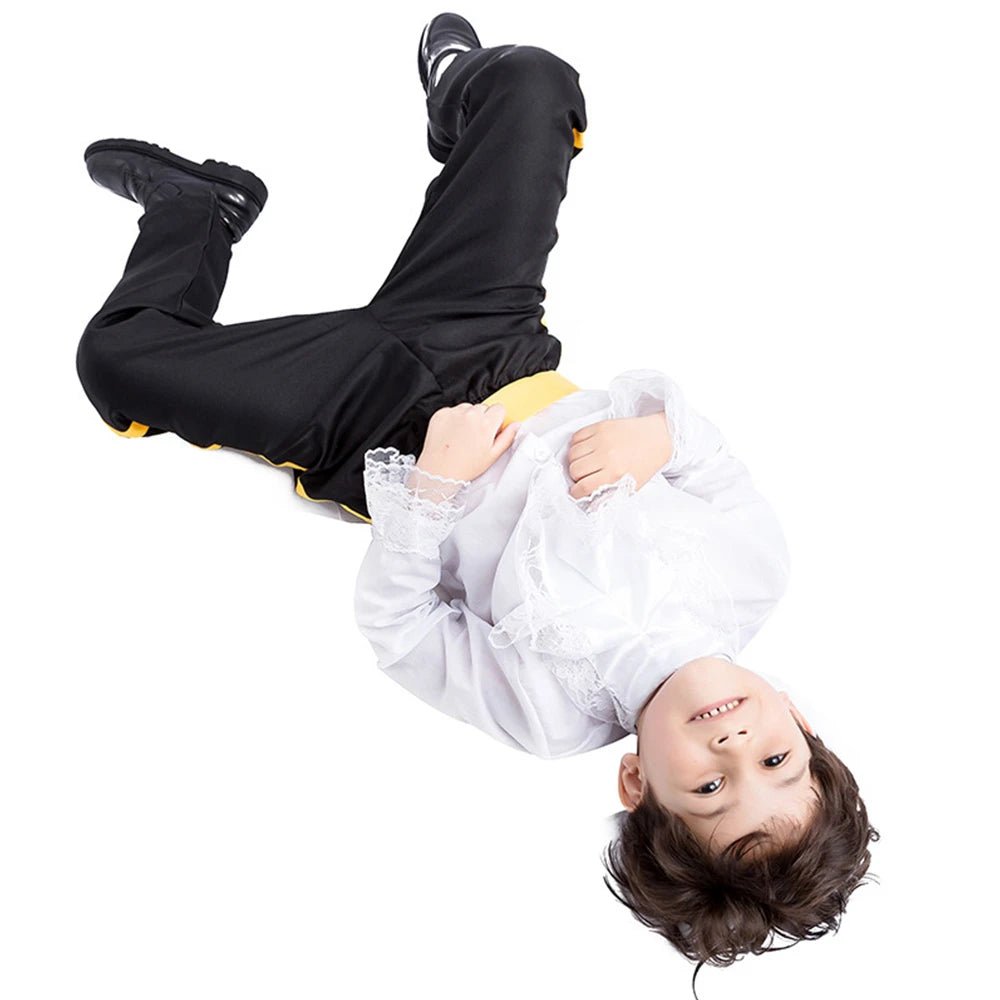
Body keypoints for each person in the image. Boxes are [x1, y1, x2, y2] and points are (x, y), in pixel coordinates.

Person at [76, 11, 879, 977]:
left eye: (710, 788)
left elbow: (403, 630)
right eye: (775, 761)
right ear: (800, 722)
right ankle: (462, 95)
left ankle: (198, 208)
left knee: (120, 367)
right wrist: (652, 436)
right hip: (491, 336)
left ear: (638, 782)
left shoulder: (549, 714)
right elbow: (703, 454)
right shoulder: (753, 576)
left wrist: (435, 492)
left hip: (366, 420)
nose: (736, 744)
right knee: (538, 79)